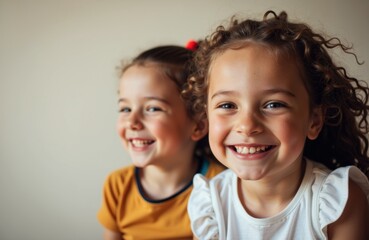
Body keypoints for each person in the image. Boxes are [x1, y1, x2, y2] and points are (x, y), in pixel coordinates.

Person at [184, 10, 369, 239]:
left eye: (273, 105)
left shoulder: (339, 201)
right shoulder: (210, 205)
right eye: (227, 105)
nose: (247, 125)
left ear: (314, 120)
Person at [97, 44, 225, 240]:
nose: (132, 122)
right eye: (125, 109)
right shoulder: (117, 186)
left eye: (153, 108)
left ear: (198, 126)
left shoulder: (219, 188)